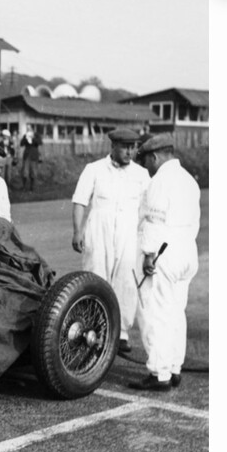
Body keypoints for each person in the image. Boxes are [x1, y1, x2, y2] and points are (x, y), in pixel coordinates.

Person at [128, 134, 201, 391]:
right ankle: (173, 368)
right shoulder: (189, 180)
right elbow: (194, 222)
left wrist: (149, 254)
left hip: (163, 253)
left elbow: (154, 220)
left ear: (155, 157)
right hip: (186, 252)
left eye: (146, 160)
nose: (145, 167)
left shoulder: (160, 180)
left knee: (155, 313)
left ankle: (159, 373)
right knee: (175, 313)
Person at [71, 127, 150, 354]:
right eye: (125, 147)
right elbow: (79, 201)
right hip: (98, 228)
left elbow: (148, 209)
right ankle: (93, 331)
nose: (130, 152)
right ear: (113, 146)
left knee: (126, 280)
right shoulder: (94, 169)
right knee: (96, 277)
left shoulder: (142, 175)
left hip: (129, 230)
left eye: (133, 147)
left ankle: (121, 333)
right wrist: (77, 231)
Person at [19, 124, 42, 191]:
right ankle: (24, 187)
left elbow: (40, 142)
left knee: (33, 172)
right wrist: (26, 138)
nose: (28, 129)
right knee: (25, 172)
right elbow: (21, 144)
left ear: (32, 128)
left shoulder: (36, 135)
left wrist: (33, 138)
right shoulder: (25, 135)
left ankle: (32, 187)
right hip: (27, 156)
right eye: (27, 128)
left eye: (29, 128)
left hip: (34, 156)